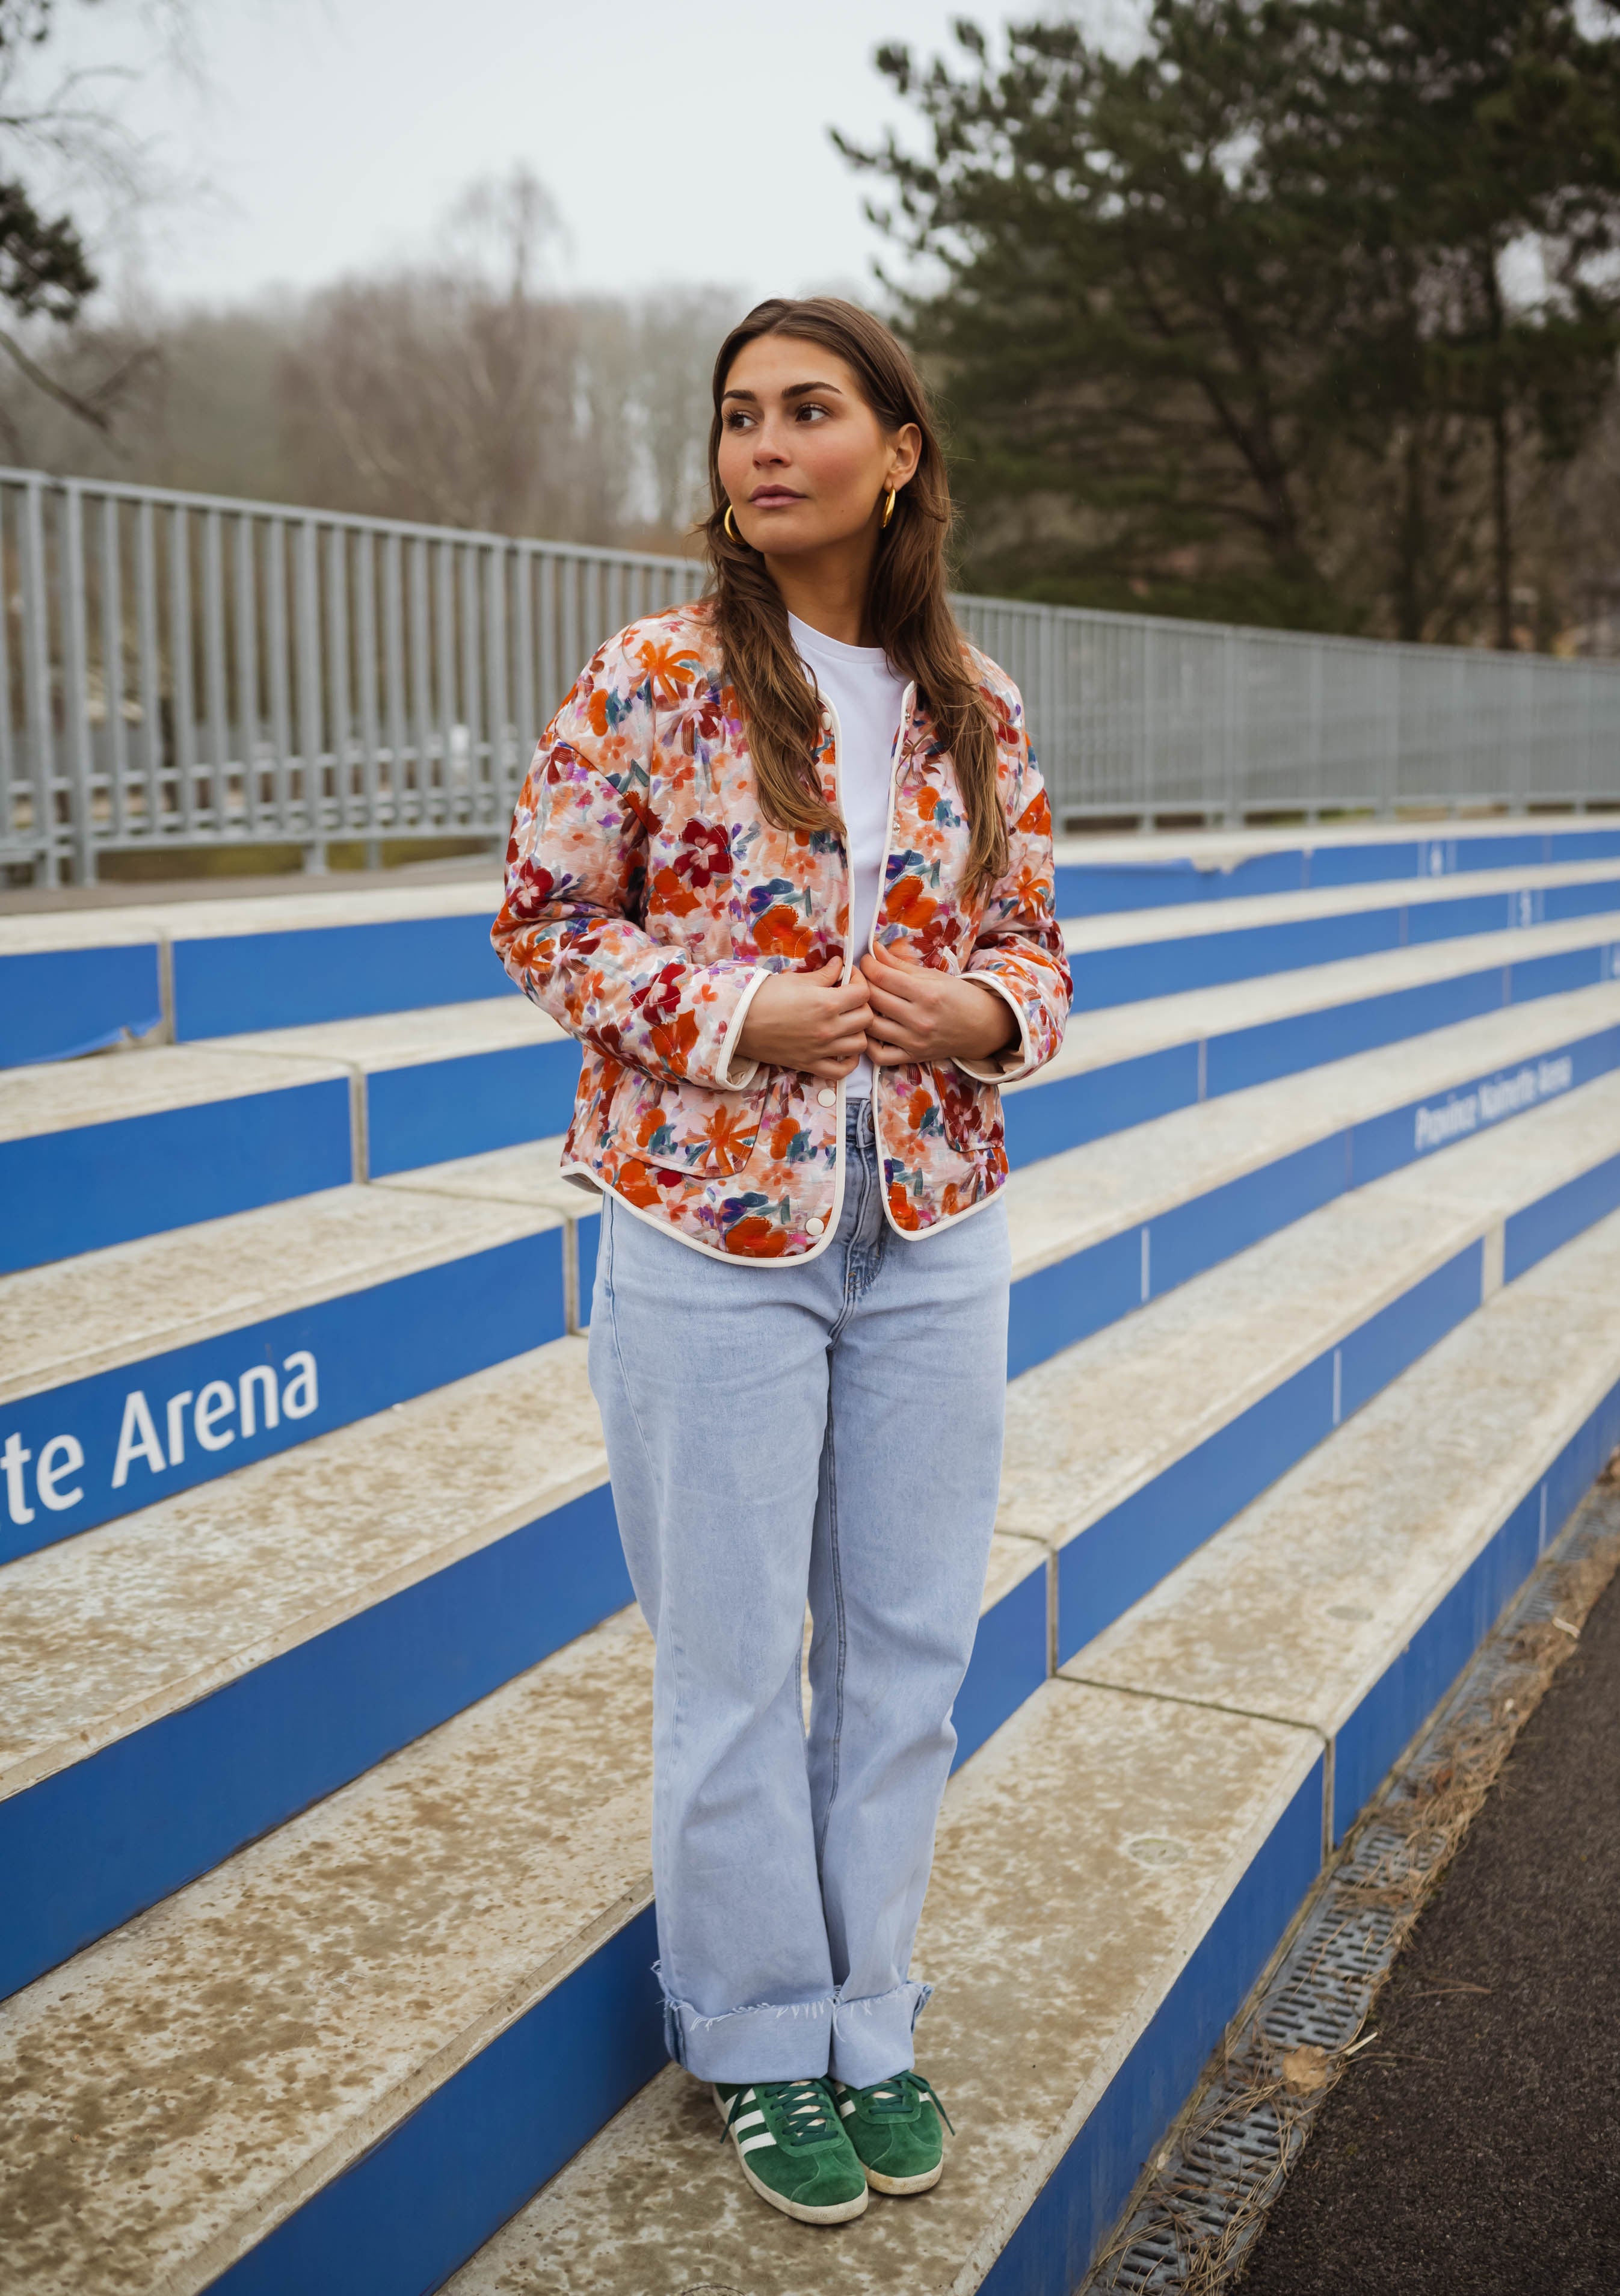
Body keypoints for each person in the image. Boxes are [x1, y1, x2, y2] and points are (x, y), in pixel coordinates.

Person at [491, 296, 1071, 2228]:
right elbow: (542, 918)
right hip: (704, 1230)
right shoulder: (653, 677)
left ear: (897, 450)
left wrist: (977, 1017)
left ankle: (869, 2013)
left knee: (909, 1648)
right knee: (734, 1661)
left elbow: (1044, 964)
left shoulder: (980, 708)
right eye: (738, 414)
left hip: (931, 1226)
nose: (763, 443)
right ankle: (752, 2036)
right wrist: (745, 1011)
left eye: (809, 409)